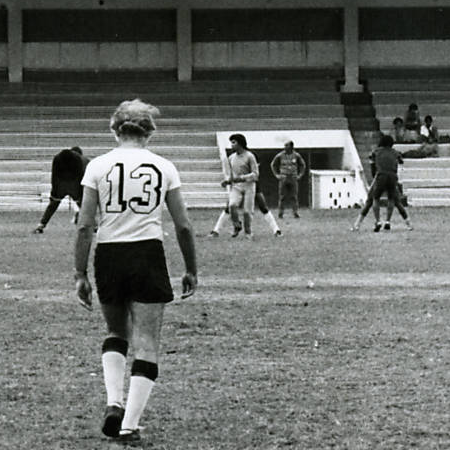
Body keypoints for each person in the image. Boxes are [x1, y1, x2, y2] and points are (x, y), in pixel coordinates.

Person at [73, 99, 197, 444]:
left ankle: (114, 402)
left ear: (115, 129)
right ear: (150, 132)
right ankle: (129, 425)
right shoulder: (164, 167)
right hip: (147, 252)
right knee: (147, 342)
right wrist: (191, 269)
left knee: (116, 332)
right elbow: (183, 226)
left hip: (109, 253)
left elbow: (84, 225)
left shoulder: (97, 166)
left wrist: (79, 273)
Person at [350, 135, 413, 232]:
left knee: (373, 199)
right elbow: (401, 161)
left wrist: (375, 174)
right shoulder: (395, 152)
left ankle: (373, 221)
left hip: (381, 175)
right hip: (392, 176)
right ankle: (399, 222)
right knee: (394, 199)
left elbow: (372, 164)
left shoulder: (376, 152)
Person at [33, 147, 90, 234]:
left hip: (60, 185)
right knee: (83, 206)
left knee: (52, 205)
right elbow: (82, 176)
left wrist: (54, 191)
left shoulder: (58, 158)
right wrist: (80, 192)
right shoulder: (84, 160)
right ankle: (94, 226)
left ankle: (41, 225)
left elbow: (54, 176)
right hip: (74, 185)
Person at [208, 183, 281, 237]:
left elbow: (255, 171)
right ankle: (216, 230)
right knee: (230, 206)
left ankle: (276, 230)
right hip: (238, 183)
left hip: (250, 183)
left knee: (262, 206)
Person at [224, 133, 259, 240]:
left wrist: (242, 177)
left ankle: (248, 232)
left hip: (249, 185)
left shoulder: (250, 156)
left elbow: (255, 174)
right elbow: (231, 175)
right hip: (236, 186)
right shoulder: (231, 158)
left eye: (233, 142)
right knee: (232, 205)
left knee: (247, 211)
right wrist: (227, 181)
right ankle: (236, 225)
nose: (231, 145)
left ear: (240, 143)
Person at [270, 141, 306, 219]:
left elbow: (303, 165)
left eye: (287, 146)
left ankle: (295, 213)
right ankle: (280, 213)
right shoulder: (280, 155)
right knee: (282, 196)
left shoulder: (296, 155)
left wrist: (300, 175)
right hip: (283, 177)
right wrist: (277, 175)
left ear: (291, 147)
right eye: (285, 145)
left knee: (294, 196)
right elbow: (273, 164)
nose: (285, 147)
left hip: (293, 178)